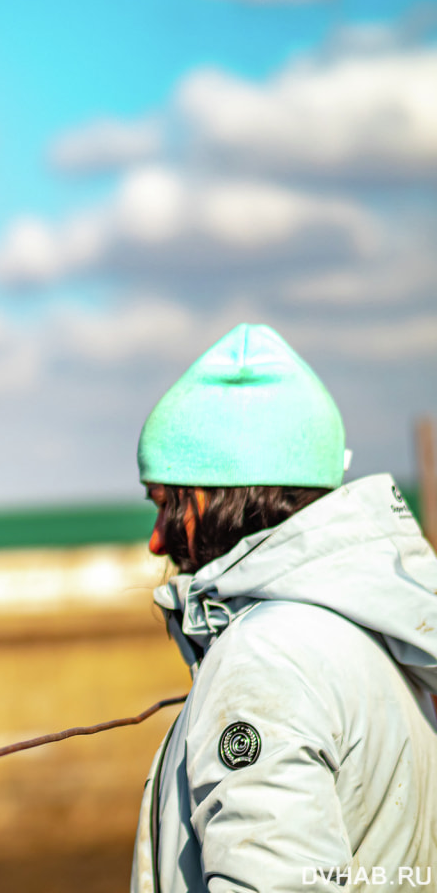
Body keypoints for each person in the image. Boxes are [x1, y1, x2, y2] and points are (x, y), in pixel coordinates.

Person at [130, 323, 437, 893]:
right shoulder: (377, 632)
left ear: (212, 495)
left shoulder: (266, 658)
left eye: (165, 503)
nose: (155, 539)